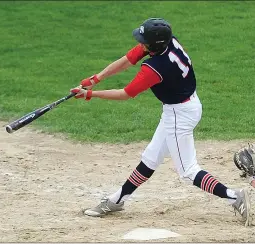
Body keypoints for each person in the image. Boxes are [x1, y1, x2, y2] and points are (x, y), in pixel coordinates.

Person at [70, 18, 252, 226]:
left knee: (188, 171)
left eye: (144, 41)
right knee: (151, 157)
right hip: (186, 106)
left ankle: (235, 197)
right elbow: (127, 59)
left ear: (154, 45)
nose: (141, 44)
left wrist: (90, 94)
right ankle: (118, 199)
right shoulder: (168, 43)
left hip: (179, 114)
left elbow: (126, 93)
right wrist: (95, 78)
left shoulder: (154, 67)